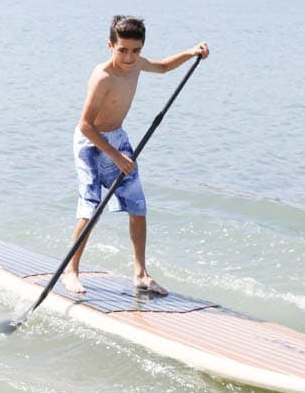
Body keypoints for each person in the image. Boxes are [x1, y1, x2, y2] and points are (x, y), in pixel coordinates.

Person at [61, 15, 209, 297]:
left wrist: (192, 52)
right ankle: (71, 271)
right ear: (110, 46)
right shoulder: (102, 77)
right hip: (91, 144)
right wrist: (115, 156)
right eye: (122, 50)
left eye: (136, 50)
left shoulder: (138, 64)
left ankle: (141, 274)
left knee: (137, 207)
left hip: (117, 138)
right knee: (90, 207)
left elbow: (164, 67)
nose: (129, 58)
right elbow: (85, 125)